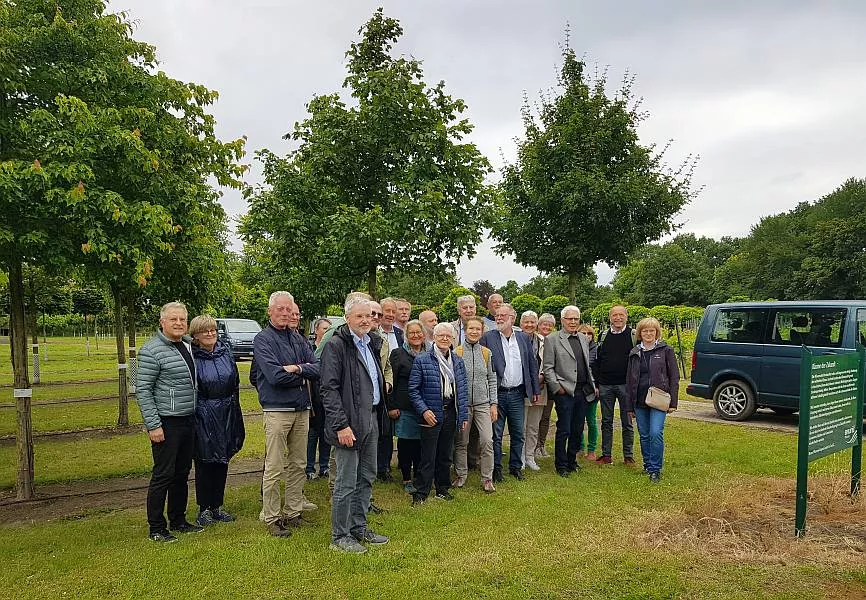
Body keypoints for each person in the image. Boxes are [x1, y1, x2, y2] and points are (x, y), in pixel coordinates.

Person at [320, 296, 389, 553]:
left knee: (367, 475)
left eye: (369, 316)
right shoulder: (337, 345)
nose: (365, 320)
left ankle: (359, 527)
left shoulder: (370, 343)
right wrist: (341, 425)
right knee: (346, 481)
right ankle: (340, 536)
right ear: (347, 317)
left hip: (370, 417)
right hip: (348, 422)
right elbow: (328, 389)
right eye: (359, 316)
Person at [253, 291, 321, 538]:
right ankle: (272, 517)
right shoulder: (263, 340)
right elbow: (274, 376)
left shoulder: (297, 339)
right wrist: (302, 374)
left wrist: (297, 368)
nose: (285, 313)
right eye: (280, 309)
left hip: (301, 409)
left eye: (288, 309)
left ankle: (293, 512)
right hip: (277, 410)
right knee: (273, 466)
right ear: (270, 311)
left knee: (299, 463)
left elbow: (318, 368)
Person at [137, 301, 202, 542]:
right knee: (163, 474)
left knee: (182, 473)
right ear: (162, 322)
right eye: (173, 319)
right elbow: (143, 390)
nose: (178, 323)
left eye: (182, 319)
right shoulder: (151, 350)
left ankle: (178, 519)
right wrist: (153, 425)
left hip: (187, 419)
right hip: (166, 422)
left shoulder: (186, 345)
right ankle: (156, 527)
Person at [188, 315, 245, 527]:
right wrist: (199, 415)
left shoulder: (225, 353)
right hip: (203, 413)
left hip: (227, 411)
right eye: (205, 331)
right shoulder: (193, 357)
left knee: (222, 459)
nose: (210, 334)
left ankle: (217, 505)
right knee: (205, 461)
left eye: (213, 330)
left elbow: (236, 382)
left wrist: (235, 412)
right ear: (195, 335)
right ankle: (204, 508)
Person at [408, 323, 469, 504]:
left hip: (451, 412)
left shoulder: (458, 361)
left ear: (452, 339)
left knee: (445, 454)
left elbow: (463, 391)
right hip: (431, 413)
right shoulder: (422, 360)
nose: (444, 339)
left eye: (448, 336)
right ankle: (421, 492)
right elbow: (413, 390)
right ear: (433, 338)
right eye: (440, 335)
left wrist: (463, 415)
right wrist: (424, 410)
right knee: (428, 456)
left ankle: (442, 489)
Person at [481, 303, 541, 482]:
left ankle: (515, 467)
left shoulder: (522, 338)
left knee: (518, 433)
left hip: (516, 393)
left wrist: (535, 389)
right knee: (496, 434)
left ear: (512, 318)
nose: (499, 318)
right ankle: (496, 469)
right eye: (497, 315)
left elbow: (531, 364)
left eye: (503, 316)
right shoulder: (488, 338)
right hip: (497, 394)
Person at [541, 305, 596, 477]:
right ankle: (561, 464)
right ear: (562, 320)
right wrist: (558, 388)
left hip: (583, 391)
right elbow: (548, 368)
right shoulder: (553, 339)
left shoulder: (582, 338)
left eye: (576, 319)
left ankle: (572, 461)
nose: (573, 322)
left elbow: (586, 365)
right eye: (569, 319)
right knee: (564, 428)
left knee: (578, 428)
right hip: (565, 392)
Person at [626, 317, 679, 483]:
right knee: (644, 435)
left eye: (652, 331)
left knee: (656, 433)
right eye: (645, 331)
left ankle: (655, 469)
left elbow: (674, 377)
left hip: (659, 398)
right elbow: (629, 380)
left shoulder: (666, 350)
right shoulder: (635, 352)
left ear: (657, 332)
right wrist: (629, 406)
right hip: (640, 399)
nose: (648, 334)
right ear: (640, 333)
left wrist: (673, 402)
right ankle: (647, 465)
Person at [453, 316, 498, 492]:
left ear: (482, 331)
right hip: (464, 405)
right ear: (465, 330)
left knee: (487, 440)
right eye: (471, 328)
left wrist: (493, 404)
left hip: (483, 404)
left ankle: (487, 478)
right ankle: (461, 475)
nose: (474, 332)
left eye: (477, 329)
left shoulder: (487, 353)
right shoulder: (457, 352)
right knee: (461, 441)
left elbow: (492, 378)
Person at [592, 305, 637, 466]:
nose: (618, 318)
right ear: (610, 317)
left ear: (626, 316)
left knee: (627, 421)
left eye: (621, 315)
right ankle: (606, 455)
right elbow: (597, 361)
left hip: (625, 385)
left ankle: (628, 456)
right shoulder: (603, 336)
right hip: (605, 385)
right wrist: (597, 383)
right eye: (614, 315)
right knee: (606, 421)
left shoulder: (633, 335)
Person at [388, 320, 429, 494]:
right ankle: (406, 478)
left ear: (424, 334)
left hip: (426, 407)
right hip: (404, 407)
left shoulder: (431, 353)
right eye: (411, 333)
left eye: (419, 332)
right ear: (406, 335)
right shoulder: (398, 354)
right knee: (406, 445)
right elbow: (392, 381)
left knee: (422, 444)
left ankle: (421, 475)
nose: (416, 335)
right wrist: (392, 405)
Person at [369, 300, 396, 483]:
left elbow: (387, 367)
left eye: (379, 315)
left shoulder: (382, 339)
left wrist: (387, 382)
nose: (376, 318)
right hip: (358, 399)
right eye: (373, 314)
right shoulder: (346, 338)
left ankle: (380, 469)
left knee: (383, 433)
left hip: (381, 396)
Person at [520, 310, 546, 471]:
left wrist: (542, 375)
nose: (529, 325)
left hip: (541, 387)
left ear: (537, 324)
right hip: (522, 388)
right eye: (526, 322)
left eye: (532, 322)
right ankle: (521, 456)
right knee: (521, 425)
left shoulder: (543, 340)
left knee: (534, 425)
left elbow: (548, 360)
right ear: (521, 324)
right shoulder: (516, 339)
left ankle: (530, 456)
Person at [307, 318, 332, 480]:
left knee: (326, 434)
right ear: (316, 330)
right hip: (312, 397)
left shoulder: (332, 347)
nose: (327, 332)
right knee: (311, 435)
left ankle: (324, 466)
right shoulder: (309, 348)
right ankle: (309, 468)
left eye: (329, 329)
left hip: (327, 398)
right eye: (324, 329)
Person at [534, 313, 557, 458]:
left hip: (550, 384)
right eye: (544, 324)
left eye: (549, 325)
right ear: (538, 325)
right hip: (537, 383)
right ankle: (533, 446)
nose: (546, 327)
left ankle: (541, 445)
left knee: (546, 416)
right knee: (535, 417)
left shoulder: (554, 341)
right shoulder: (533, 340)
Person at [576, 323, 599, 461]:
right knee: (578, 420)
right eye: (583, 333)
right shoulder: (575, 348)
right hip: (578, 389)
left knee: (591, 420)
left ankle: (592, 449)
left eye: (588, 333)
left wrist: (597, 386)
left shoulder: (596, 350)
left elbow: (598, 368)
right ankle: (580, 447)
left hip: (591, 389)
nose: (586, 336)